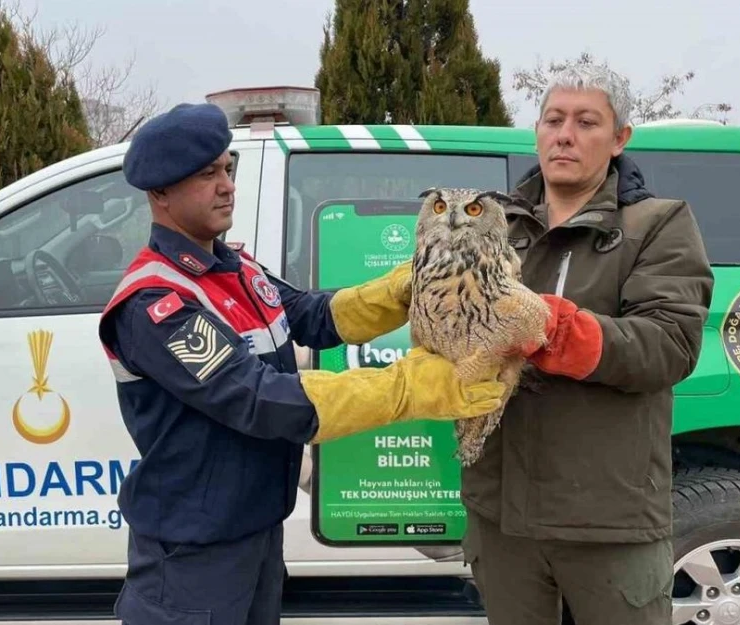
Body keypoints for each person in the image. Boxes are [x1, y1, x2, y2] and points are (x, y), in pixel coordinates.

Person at [96, 102, 508, 625]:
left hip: (253, 529)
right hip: (191, 551)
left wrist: (403, 288)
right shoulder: (156, 302)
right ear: (159, 194)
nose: (226, 185)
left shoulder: (234, 267)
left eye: (228, 168)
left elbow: (308, 315)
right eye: (207, 175)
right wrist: (409, 387)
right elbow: (260, 399)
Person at [457, 65, 715, 624]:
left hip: (607, 518)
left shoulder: (658, 224)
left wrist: (555, 329)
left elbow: (669, 343)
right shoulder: (493, 226)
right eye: (553, 119)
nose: (564, 134)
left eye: (585, 121)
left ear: (620, 138)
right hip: (500, 514)